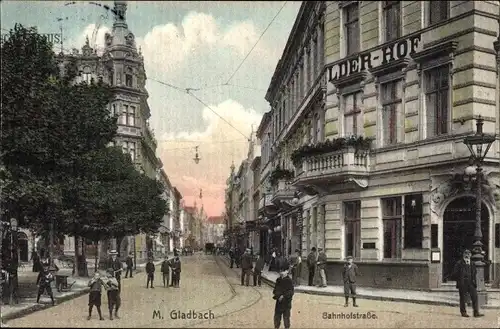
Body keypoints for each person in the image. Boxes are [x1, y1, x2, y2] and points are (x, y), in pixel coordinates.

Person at [450, 249, 484, 317]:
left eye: (468, 254)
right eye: (465, 254)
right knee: (463, 298)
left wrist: (473, 281)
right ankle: (463, 312)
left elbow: (474, 272)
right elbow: (454, 274)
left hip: (471, 283)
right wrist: (460, 279)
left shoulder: (472, 263)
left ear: (470, 255)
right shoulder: (459, 263)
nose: (467, 255)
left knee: (475, 297)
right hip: (463, 284)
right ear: (463, 255)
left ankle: (476, 312)